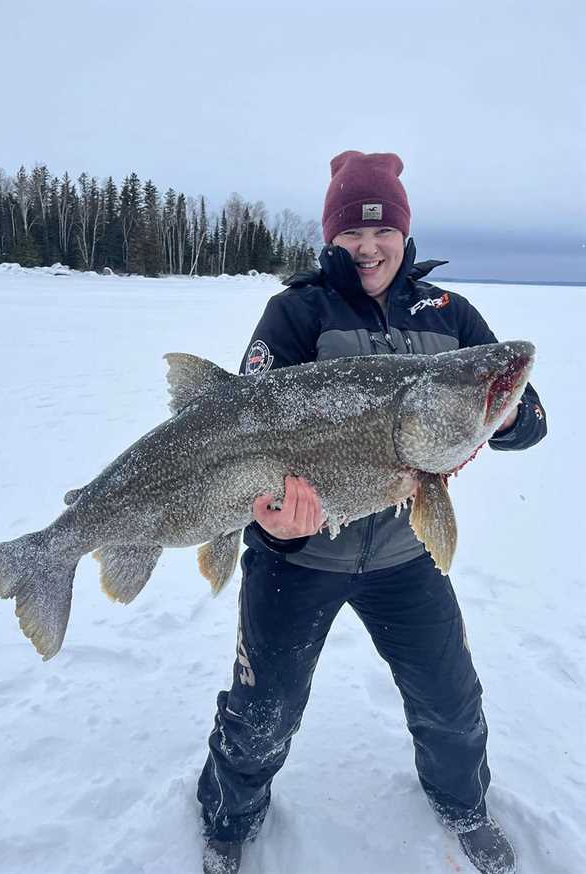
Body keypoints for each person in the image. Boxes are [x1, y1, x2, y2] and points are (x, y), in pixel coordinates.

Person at [197, 151, 546, 874]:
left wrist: (495, 422)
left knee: (451, 701)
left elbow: (527, 411)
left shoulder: (450, 315)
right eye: (352, 232)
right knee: (261, 717)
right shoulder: (296, 312)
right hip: (300, 558)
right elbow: (235, 435)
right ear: (331, 236)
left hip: (402, 556)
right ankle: (229, 819)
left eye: (381, 229)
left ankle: (463, 806)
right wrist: (271, 526)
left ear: (403, 230)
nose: (368, 246)